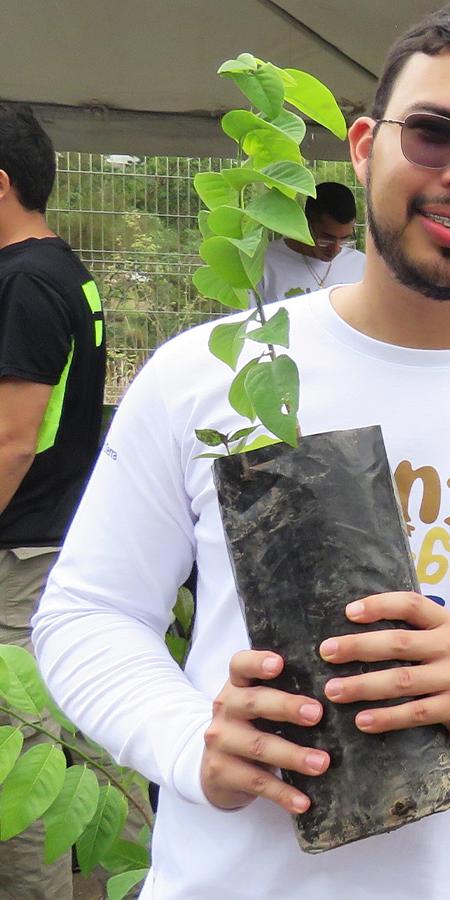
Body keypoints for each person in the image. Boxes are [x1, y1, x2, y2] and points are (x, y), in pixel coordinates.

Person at [32, 5, 450, 898]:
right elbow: (87, 615)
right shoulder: (208, 375)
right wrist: (191, 742)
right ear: (362, 146)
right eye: (433, 134)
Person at [0, 103, 106, 900]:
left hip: (21, 549)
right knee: (65, 746)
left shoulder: (27, 281)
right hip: (52, 535)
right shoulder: (61, 267)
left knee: (24, 754)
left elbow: (12, 437)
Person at [255, 181, 367, 302]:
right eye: (327, 238)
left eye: (345, 239)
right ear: (307, 224)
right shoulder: (265, 262)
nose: (335, 249)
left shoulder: (362, 266)